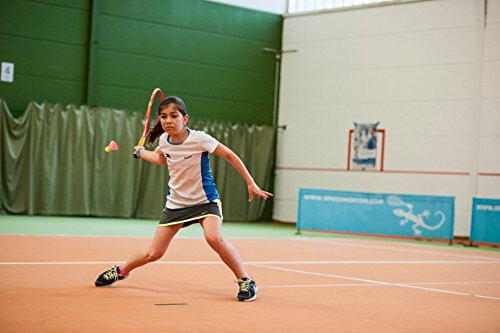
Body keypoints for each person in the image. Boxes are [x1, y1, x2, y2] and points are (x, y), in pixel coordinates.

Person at [94, 96, 272, 302]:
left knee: (214, 237)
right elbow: (161, 158)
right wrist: (142, 153)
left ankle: (246, 280)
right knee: (154, 253)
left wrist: (250, 183)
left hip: (205, 201)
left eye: (173, 116)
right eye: (163, 117)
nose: (168, 120)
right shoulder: (164, 141)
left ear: (185, 118)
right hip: (177, 204)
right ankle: (121, 271)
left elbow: (230, 155)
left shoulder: (199, 139)